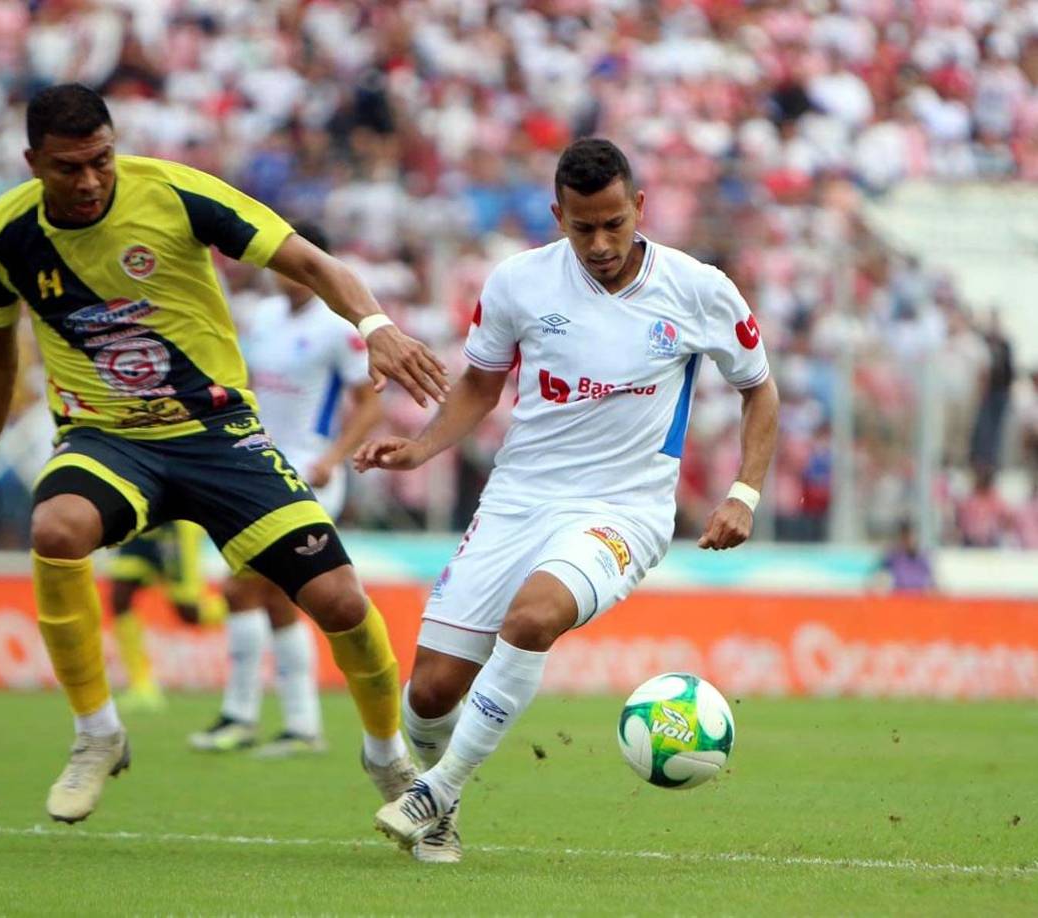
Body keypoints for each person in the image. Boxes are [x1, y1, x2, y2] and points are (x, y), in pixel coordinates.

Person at [0, 83, 448, 824]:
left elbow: (308, 261)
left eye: (101, 161)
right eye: (67, 168)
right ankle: (96, 735)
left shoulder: (176, 194)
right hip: (108, 437)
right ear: (32, 163)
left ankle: (388, 758)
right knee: (57, 530)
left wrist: (375, 325)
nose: (88, 181)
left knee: (339, 601)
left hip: (218, 436)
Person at [356, 138, 779, 863]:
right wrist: (420, 449)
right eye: (582, 227)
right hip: (519, 498)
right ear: (558, 215)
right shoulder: (519, 283)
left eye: (614, 223)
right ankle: (427, 778)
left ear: (639, 207)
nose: (600, 242)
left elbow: (758, 390)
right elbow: (482, 385)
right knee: (428, 693)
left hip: (624, 509)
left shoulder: (699, 288)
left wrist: (743, 491)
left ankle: (438, 790)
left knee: (534, 616)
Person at [189, 220, 383, 757]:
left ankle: (243, 716)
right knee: (272, 600)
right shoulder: (264, 317)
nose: (284, 272)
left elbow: (370, 403)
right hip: (258, 469)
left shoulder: (337, 327)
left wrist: (332, 458)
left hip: (310, 473)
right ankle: (297, 725)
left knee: (243, 590)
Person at [108, 520, 227, 713]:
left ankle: (245, 606)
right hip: (141, 525)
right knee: (119, 598)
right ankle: (141, 686)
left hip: (175, 525)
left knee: (189, 612)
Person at [874, 520, 936, 593]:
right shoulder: (894, 557)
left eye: (911, 537)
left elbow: (931, 582)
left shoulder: (922, 558)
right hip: (901, 598)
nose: (909, 541)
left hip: (920, 598)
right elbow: (877, 571)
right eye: (905, 538)